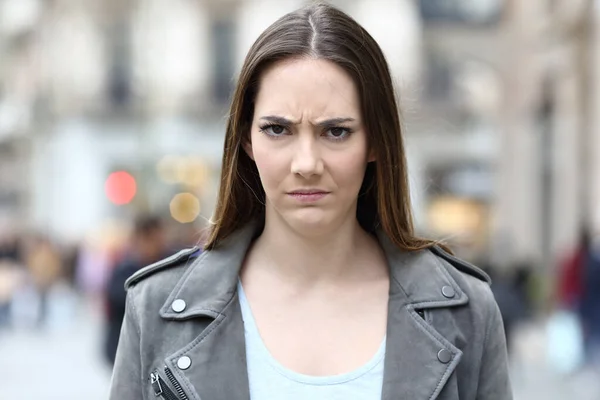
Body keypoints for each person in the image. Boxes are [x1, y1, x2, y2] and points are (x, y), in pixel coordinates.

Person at [109, 4, 512, 399]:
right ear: (246, 139)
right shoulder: (157, 308)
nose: (306, 163)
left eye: (335, 131)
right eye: (278, 129)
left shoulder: (466, 312)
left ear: (375, 140)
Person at [103, 215, 169, 366]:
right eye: (149, 238)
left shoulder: (170, 266)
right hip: (125, 348)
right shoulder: (124, 271)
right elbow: (116, 301)